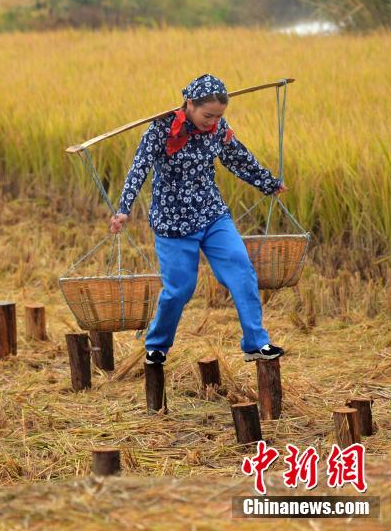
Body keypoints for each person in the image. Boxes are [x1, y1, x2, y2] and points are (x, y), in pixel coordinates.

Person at [111, 74, 287, 365]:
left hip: (212, 214)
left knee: (241, 269)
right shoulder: (161, 130)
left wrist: (268, 183)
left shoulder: (218, 129)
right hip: (173, 223)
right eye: (208, 115)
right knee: (180, 289)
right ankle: (157, 344)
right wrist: (123, 209)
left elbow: (238, 158)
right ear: (189, 104)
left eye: (219, 116)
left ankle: (256, 342)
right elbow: (138, 169)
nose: (212, 121)